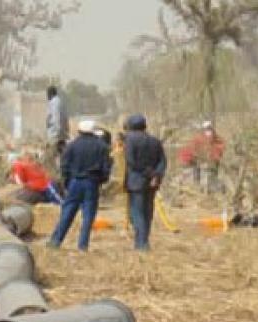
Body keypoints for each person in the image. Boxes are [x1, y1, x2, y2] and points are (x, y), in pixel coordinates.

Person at [49, 120, 112, 252]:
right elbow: (106, 168)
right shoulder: (102, 147)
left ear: (79, 131)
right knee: (88, 215)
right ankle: (83, 245)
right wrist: (100, 180)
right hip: (92, 182)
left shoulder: (71, 146)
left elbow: (64, 166)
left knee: (67, 212)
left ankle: (55, 241)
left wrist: (66, 182)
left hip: (75, 182)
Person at [124, 114, 168, 251]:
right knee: (147, 213)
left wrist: (147, 173)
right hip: (152, 183)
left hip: (136, 182)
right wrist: (156, 175)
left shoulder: (130, 140)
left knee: (136, 214)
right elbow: (163, 161)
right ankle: (142, 241)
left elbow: (132, 162)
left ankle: (142, 243)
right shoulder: (155, 141)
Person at [178, 121, 225, 191]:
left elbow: (220, 150)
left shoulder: (217, 139)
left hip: (210, 164)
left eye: (209, 128)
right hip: (198, 163)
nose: (208, 130)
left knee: (208, 179)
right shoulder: (199, 138)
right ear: (203, 129)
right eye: (206, 128)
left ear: (212, 128)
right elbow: (192, 150)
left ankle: (209, 191)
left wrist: (213, 157)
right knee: (198, 179)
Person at [46, 85, 69, 161]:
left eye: (48, 94)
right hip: (62, 134)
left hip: (55, 135)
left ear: (50, 93)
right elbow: (65, 118)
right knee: (62, 155)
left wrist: (56, 133)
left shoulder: (54, 103)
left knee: (52, 157)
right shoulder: (60, 102)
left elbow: (56, 118)